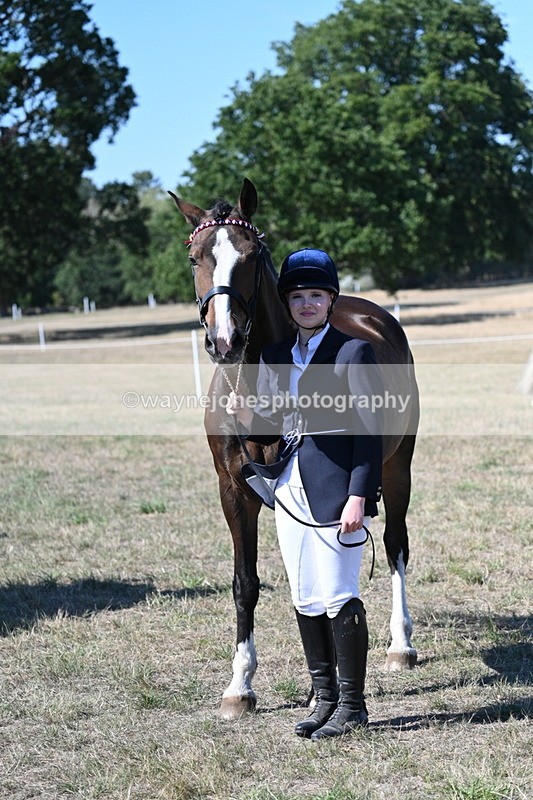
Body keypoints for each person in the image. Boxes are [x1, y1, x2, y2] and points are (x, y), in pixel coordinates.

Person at [227, 248, 383, 740]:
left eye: (316, 295)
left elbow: (369, 433)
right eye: (298, 297)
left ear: (331, 300)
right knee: (305, 594)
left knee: (339, 593)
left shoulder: (354, 352)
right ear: (287, 303)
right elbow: (273, 423)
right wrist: (244, 411)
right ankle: (326, 698)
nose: (307, 304)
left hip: (337, 490)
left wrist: (360, 495)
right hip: (288, 489)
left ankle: (354, 705)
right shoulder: (275, 357)